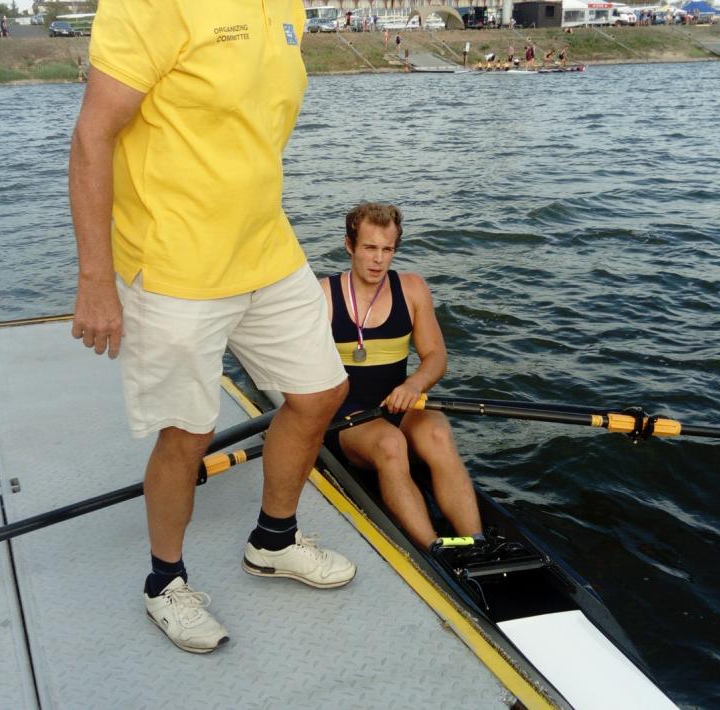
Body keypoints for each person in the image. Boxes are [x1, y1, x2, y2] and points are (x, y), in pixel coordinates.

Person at [68, 1, 354, 656]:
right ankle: (165, 581)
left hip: (265, 248)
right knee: (187, 431)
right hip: (174, 263)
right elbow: (93, 135)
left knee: (320, 393)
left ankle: (273, 541)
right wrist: (95, 279)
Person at [321, 203, 483, 551]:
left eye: (387, 249)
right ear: (349, 245)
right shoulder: (324, 296)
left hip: (400, 404)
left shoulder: (412, 288)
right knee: (391, 445)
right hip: (348, 419)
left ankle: (476, 543)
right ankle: (435, 552)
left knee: (438, 433)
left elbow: (436, 357)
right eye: (369, 248)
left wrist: (413, 384)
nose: (378, 260)